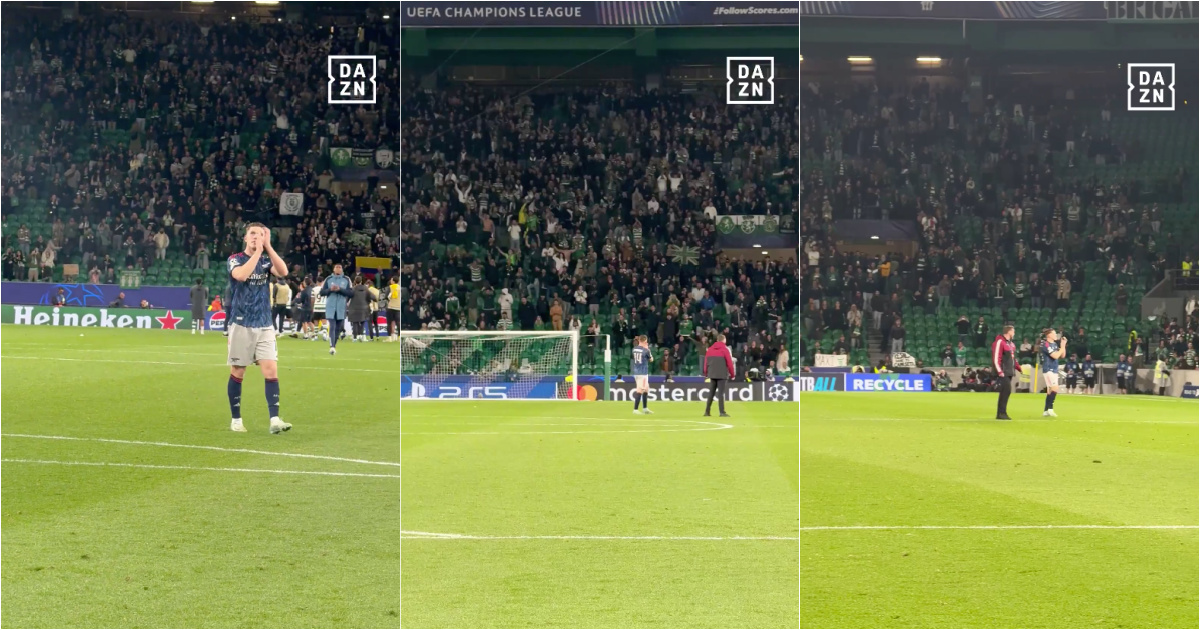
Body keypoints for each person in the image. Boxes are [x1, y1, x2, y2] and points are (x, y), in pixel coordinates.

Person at [225, 223, 291, 435]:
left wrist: (268, 248)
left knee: (271, 370)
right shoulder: (235, 259)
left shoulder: (265, 260)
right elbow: (241, 276)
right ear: (245, 238)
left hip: (264, 324)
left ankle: (274, 419)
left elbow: (283, 272)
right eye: (252, 234)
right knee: (238, 371)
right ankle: (236, 420)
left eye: (260, 235)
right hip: (241, 322)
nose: (256, 237)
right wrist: (258, 252)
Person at [319, 263, 354, 355]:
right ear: (333, 269)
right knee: (332, 325)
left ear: (342, 270)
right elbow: (322, 292)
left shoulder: (346, 279)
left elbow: (351, 293)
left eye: (340, 267)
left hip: (341, 307)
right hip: (330, 306)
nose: (338, 269)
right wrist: (330, 289)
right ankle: (332, 346)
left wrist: (340, 290)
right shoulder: (328, 279)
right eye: (336, 267)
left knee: (339, 328)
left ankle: (334, 345)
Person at [702, 333, 735, 418]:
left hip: (712, 374)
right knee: (721, 394)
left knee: (711, 393)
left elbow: (706, 363)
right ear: (724, 340)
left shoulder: (709, 350)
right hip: (722, 374)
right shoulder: (725, 350)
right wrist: (732, 374)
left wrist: (706, 373)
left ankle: (707, 411)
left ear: (717, 340)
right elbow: (730, 363)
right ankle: (722, 412)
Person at [991, 324, 1020, 420]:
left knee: (1005, 392)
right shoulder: (1000, 342)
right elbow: (996, 357)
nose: (1014, 333)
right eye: (1013, 331)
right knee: (1006, 390)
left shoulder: (1011, 344)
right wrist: (999, 371)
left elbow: (1013, 358)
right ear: (1009, 332)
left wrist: (1018, 367)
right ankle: (1001, 413)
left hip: (1009, 371)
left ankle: (1001, 413)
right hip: (1003, 371)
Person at [1039, 328, 1066, 417]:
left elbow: (1062, 355)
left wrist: (1063, 345)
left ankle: (1046, 410)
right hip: (1048, 369)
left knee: (1050, 390)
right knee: (1055, 388)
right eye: (1054, 334)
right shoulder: (1046, 344)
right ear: (1049, 335)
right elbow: (1055, 356)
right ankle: (1050, 408)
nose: (1056, 335)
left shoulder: (1054, 344)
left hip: (1054, 369)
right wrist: (1062, 347)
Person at [631, 335, 653, 414]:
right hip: (643, 373)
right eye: (646, 341)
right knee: (640, 390)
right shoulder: (646, 350)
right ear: (644, 341)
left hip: (637, 372)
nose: (647, 343)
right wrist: (648, 349)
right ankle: (635, 409)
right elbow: (651, 360)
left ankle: (645, 408)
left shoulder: (634, 349)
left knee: (646, 389)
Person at [347, 275, 371, 342]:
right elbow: (371, 296)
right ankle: (361, 335)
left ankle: (355, 338)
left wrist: (346, 302)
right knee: (362, 321)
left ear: (355, 281)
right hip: (363, 308)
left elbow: (348, 297)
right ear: (361, 281)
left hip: (354, 308)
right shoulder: (366, 289)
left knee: (355, 322)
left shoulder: (353, 289)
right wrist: (368, 302)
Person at [385, 276, 401, 341]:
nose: (390, 281)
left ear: (393, 281)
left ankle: (389, 337)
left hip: (391, 307)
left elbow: (386, 296)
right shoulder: (399, 288)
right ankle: (399, 337)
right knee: (398, 322)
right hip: (398, 307)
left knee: (389, 323)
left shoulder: (390, 287)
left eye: (391, 280)